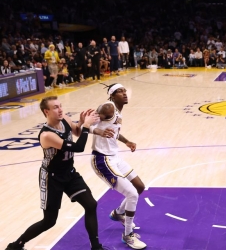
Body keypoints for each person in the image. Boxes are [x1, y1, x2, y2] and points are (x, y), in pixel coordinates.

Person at [6, 96, 109, 250]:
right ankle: (16, 245)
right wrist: (87, 126)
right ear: (46, 111)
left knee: (91, 204)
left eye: (60, 106)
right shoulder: (47, 135)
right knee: (49, 221)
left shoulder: (65, 118)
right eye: (55, 107)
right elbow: (78, 147)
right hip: (52, 178)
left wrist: (81, 123)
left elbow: (76, 131)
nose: (60, 109)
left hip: (69, 173)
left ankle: (96, 247)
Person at [90, 83, 147, 249]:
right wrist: (97, 131)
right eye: (119, 91)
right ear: (112, 96)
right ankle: (128, 235)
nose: (124, 93)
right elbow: (84, 125)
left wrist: (126, 141)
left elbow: (114, 131)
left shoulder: (117, 113)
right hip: (102, 159)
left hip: (115, 157)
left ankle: (118, 213)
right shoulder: (108, 107)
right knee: (132, 195)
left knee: (139, 187)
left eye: (124, 90)